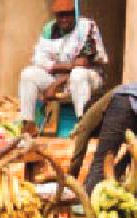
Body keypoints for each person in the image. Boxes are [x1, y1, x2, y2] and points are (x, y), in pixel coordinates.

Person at [18, 0, 108, 137]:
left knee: (78, 74)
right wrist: (59, 68)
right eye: (60, 15)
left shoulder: (86, 27)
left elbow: (84, 62)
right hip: (58, 77)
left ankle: (82, 125)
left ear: (75, 13)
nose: (64, 19)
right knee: (28, 74)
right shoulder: (50, 30)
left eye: (68, 14)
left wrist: (55, 82)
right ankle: (28, 125)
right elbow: (39, 59)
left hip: (88, 76)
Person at [69, 82, 137, 200]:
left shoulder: (87, 120)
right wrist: (115, 173)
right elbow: (132, 156)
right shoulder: (108, 102)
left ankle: (86, 203)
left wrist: (71, 181)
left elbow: (78, 154)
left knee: (102, 158)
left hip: (127, 102)